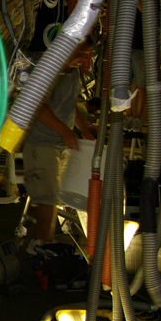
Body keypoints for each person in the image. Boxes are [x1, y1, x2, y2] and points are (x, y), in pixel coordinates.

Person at [23, 41, 95, 254]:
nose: (83, 58)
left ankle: (43, 240)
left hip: (60, 143)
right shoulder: (47, 72)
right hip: (41, 143)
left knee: (54, 195)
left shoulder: (71, 73)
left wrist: (83, 130)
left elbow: (70, 103)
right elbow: (38, 106)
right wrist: (65, 131)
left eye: (87, 54)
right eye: (80, 53)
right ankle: (42, 243)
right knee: (47, 196)